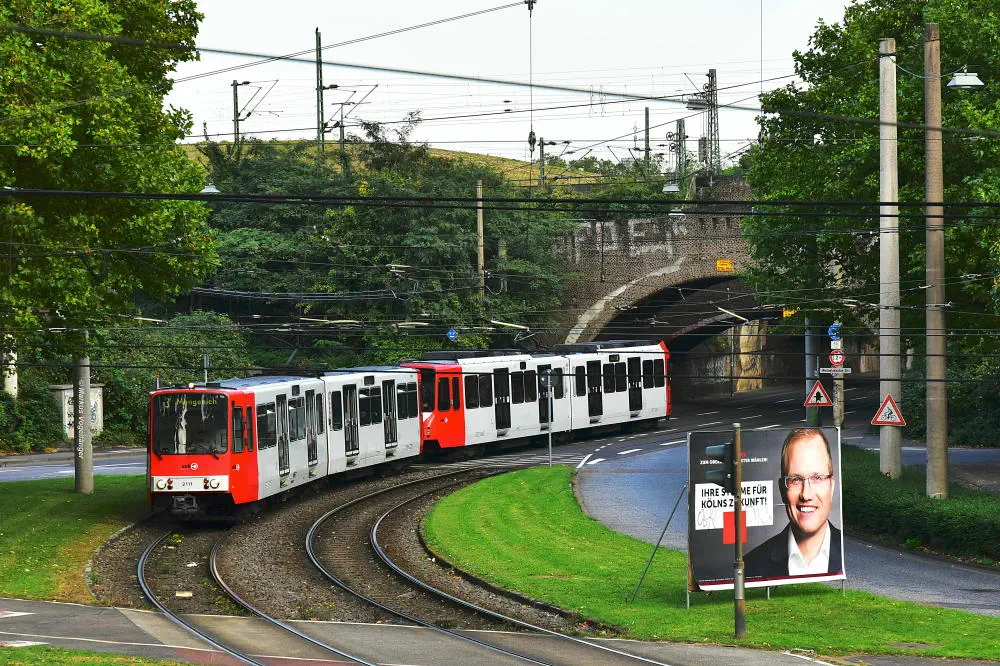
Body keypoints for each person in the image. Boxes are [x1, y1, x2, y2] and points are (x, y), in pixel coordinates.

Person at [744, 427, 843, 578]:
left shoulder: (853, 556)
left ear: (832, 485)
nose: (806, 494)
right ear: (782, 489)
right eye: (796, 479)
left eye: (817, 478)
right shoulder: (751, 565)